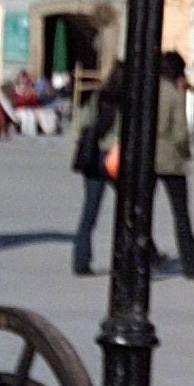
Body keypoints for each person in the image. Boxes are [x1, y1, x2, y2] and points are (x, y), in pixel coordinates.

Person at [154, 51, 194, 275]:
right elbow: (179, 133)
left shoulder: (148, 88)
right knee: (180, 214)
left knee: (143, 211)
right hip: (170, 159)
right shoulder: (173, 94)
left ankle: (143, 256)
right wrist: (186, 153)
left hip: (147, 158)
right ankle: (192, 262)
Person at [71, 60, 125, 275]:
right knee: (131, 207)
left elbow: (80, 125)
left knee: (89, 212)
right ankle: (146, 253)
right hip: (113, 158)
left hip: (93, 157)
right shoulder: (126, 102)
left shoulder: (96, 98)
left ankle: (80, 260)